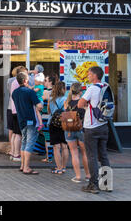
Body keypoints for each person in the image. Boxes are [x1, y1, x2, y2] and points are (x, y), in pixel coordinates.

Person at [77, 66, 110, 194]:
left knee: (92, 156)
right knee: (104, 156)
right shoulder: (105, 86)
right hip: (104, 125)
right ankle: (107, 184)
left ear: (95, 76)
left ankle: (93, 185)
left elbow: (80, 104)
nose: (88, 76)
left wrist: (87, 104)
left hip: (91, 126)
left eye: (89, 74)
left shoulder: (92, 88)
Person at [12, 71, 43, 175]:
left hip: (21, 120)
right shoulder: (30, 92)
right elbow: (39, 106)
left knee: (24, 143)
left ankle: (22, 165)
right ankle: (26, 167)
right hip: (30, 120)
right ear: (25, 80)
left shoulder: (15, 93)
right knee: (29, 143)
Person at [64, 82, 90, 183]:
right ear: (80, 91)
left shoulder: (66, 102)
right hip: (82, 129)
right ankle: (88, 175)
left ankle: (78, 176)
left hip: (69, 129)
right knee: (85, 153)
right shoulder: (83, 103)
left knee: (74, 153)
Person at [48, 80, 69, 174]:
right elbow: (67, 111)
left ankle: (59, 168)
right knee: (64, 146)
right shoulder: (65, 99)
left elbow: (49, 111)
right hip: (64, 123)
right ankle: (64, 167)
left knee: (56, 147)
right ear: (63, 89)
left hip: (53, 123)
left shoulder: (51, 99)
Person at [9, 66, 28, 161]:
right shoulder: (18, 83)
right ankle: (16, 154)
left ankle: (12, 153)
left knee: (14, 133)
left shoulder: (13, 82)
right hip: (18, 111)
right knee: (19, 134)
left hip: (13, 110)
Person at [39, 74, 56, 163]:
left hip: (46, 116)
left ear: (50, 82)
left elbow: (41, 105)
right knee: (50, 137)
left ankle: (49, 157)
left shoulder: (46, 91)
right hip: (53, 116)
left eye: (45, 80)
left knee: (47, 138)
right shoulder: (55, 91)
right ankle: (51, 156)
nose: (44, 82)